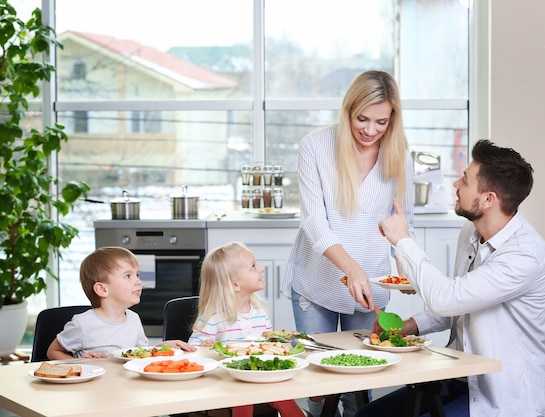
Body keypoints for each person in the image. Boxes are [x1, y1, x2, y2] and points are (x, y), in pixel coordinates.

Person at [357, 139, 545, 417]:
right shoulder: (472, 234)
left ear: (488, 199)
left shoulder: (524, 255)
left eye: (465, 179)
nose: (455, 185)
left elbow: (447, 299)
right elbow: (460, 305)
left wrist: (402, 239)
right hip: (460, 378)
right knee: (367, 416)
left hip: (501, 393)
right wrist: (408, 326)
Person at [281, 70, 414, 417]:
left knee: (359, 385)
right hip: (318, 283)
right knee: (321, 389)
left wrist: (407, 268)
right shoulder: (316, 146)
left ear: (393, 119)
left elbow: (402, 223)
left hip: (369, 285)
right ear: (348, 111)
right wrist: (351, 268)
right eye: (362, 119)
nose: (371, 130)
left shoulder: (400, 156)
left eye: (382, 122)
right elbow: (314, 221)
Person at [189, 242, 304, 417]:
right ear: (236, 284)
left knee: (283, 395)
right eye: (253, 267)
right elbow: (193, 351)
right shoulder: (214, 317)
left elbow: (268, 346)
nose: (261, 269)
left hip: (260, 376)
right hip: (228, 380)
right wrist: (205, 347)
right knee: (243, 398)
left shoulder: (260, 314)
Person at [47, 246, 196, 360]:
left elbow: (140, 353)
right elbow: (53, 352)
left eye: (137, 275)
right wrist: (78, 363)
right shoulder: (83, 324)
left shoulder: (133, 319)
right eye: (128, 276)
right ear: (102, 289)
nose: (138, 282)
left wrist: (163, 346)